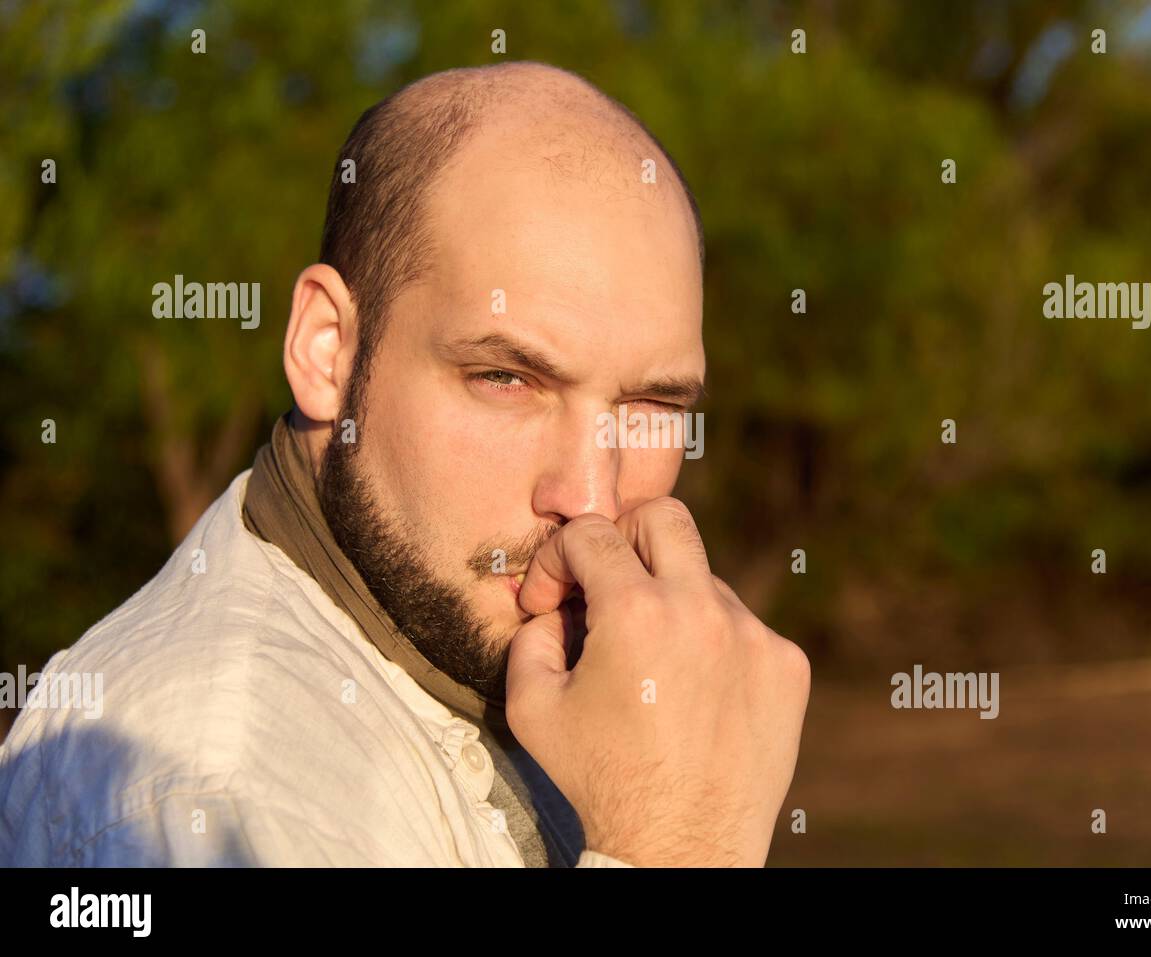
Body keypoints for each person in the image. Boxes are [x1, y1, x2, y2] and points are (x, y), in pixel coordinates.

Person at [0, 61, 811, 867]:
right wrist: (674, 843)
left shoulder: (533, 674)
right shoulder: (217, 796)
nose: (590, 498)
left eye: (653, 407)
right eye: (507, 378)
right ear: (328, 353)